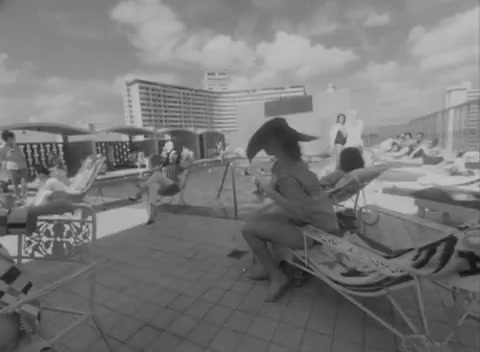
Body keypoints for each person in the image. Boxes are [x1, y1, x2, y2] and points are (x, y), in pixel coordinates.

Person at [242, 117, 339, 302]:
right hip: (320, 221)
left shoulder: (287, 172)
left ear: (278, 141)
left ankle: (278, 277)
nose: (263, 145)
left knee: (248, 230)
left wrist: (270, 192)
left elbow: (299, 212)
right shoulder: (290, 163)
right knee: (259, 217)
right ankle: (267, 265)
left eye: (266, 141)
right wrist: (268, 191)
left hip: (318, 232)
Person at [129, 152, 183, 225]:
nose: (150, 167)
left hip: (173, 187)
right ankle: (152, 217)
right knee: (153, 187)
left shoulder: (175, 168)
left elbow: (179, 178)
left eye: (152, 166)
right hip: (166, 189)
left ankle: (138, 195)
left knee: (155, 178)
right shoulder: (164, 169)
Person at [0, 130, 28, 202]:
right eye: (12, 137)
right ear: (8, 138)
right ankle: (20, 198)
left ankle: (22, 198)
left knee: (21, 183)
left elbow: (21, 156)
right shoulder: (4, 147)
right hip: (14, 166)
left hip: (19, 166)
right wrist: (8, 159)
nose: (14, 138)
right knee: (16, 183)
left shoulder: (13, 145)